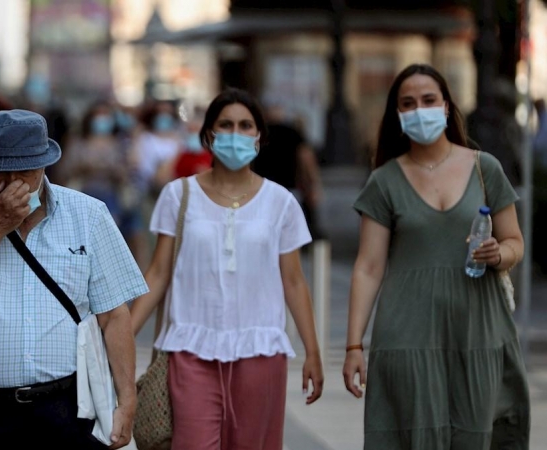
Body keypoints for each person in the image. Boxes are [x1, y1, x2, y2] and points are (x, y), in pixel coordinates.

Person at [0, 109, 148, 449]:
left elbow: (113, 315)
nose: (11, 183)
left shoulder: (88, 215)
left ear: (44, 165)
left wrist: (126, 400)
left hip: (66, 409)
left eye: (23, 170)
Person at [342, 64, 530, 449]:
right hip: (407, 334)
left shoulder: (484, 168)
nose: (419, 110)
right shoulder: (385, 180)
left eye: (428, 100)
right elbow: (368, 267)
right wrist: (353, 346)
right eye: (407, 103)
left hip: (477, 329)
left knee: (478, 434)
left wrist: (498, 254)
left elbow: (515, 242)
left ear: (446, 107)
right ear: (397, 114)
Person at [130, 88, 324, 449]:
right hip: (190, 349)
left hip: (261, 350)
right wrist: (121, 338)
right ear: (208, 135)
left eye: (246, 126)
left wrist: (313, 353)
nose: (236, 134)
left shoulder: (280, 202)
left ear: (259, 137)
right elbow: (158, 274)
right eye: (226, 125)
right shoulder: (178, 195)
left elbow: (294, 282)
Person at [253, 103, 324, 240]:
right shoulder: (292, 132)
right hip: (289, 188)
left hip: (262, 189)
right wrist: (313, 184)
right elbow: (306, 158)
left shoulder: (258, 134)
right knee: (290, 235)